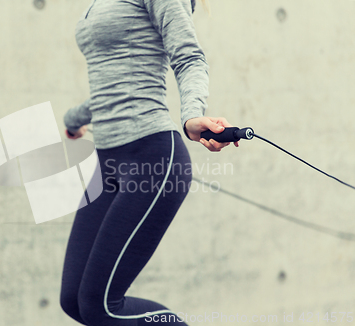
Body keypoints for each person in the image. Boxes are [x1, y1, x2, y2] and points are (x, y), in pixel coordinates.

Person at [60, 0, 238, 325]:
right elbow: (113, 79)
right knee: (74, 300)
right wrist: (74, 120)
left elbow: (189, 58)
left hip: (151, 158)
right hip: (108, 161)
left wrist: (192, 116)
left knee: (101, 306)